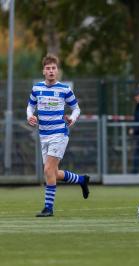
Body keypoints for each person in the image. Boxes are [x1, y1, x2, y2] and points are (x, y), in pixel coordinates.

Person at [26, 54, 90, 217]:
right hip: (43, 135)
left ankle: (48, 208)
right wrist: (29, 116)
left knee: (48, 169)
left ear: (58, 71)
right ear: (43, 71)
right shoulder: (37, 88)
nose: (51, 71)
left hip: (59, 134)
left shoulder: (64, 89)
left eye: (53, 68)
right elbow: (30, 106)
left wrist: (72, 118)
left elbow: (76, 108)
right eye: (48, 68)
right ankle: (81, 180)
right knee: (53, 173)